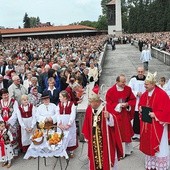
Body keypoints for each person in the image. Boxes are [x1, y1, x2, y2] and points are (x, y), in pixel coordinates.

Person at [82, 85, 123, 170]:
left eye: (93, 102)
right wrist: (87, 137)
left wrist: (109, 117)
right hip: (93, 141)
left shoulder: (106, 107)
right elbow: (86, 122)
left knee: (107, 160)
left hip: (106, 142)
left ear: (98, 101)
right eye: (90, 102)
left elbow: (116, 120)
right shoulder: (89, 109)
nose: (91, 104)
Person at [138, 71, 170, 170]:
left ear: (152, 84)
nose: (145, 86)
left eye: (146, 84)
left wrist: (155, 114)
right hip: (147, 126)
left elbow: (167, 111)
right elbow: (141, 104)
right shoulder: (144, 94)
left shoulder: (162, 94)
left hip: (158, 126)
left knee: (161, 148)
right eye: (144, 84)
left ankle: (161, 166)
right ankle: (151, 165)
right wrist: (140, 109)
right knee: (149, 145)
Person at [106, 74, 136, 157]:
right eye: (122, 82)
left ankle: (128, 150)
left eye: (125, 82)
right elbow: (109, 103)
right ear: (117, 82)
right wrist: (119, 105)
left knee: (126, 132)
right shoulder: (111, 91)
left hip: (124, 114)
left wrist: (127, 104)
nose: (124, 84)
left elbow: (132, 99)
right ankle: (119, 151)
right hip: (116, 115)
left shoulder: (128, 89)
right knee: (118, 132)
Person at [53, 90, 78, 158]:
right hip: (61, 124)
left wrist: (69, 124)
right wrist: (60, 123)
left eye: (60, 97)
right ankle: (63, 149)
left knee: (70, 136)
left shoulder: (71, 104)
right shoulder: (59, 105)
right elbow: (57, 114)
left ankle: (71, 151)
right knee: (62, 136)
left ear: (65, 97)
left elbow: (73, 115)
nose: (59, 98)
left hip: (68, 123)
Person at [128, 66, 146, 140]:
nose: (140, 73)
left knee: (144, 117)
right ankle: (135, 134)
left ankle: (143, 133)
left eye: (141, 72)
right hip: (136, 100)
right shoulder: (133, 80)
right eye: (139, 72)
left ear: (144, 72)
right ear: (137, 72)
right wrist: (136, 93)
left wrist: (143, 94)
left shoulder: (147, 80)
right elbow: (129, 89)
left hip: (144, 101)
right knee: (136, 117)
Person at [0, 88, 19, 153]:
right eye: (4, 95)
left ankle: (15, 150)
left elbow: (16, 112)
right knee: (4, 136)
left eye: (7, 94)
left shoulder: (13, 101)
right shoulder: (0, 102)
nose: (6, 96)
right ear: (1, 96)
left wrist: (9, 121)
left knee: (13, 135)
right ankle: (6, 151)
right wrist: (2, 121)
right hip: (2, 123)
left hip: (12, 122)